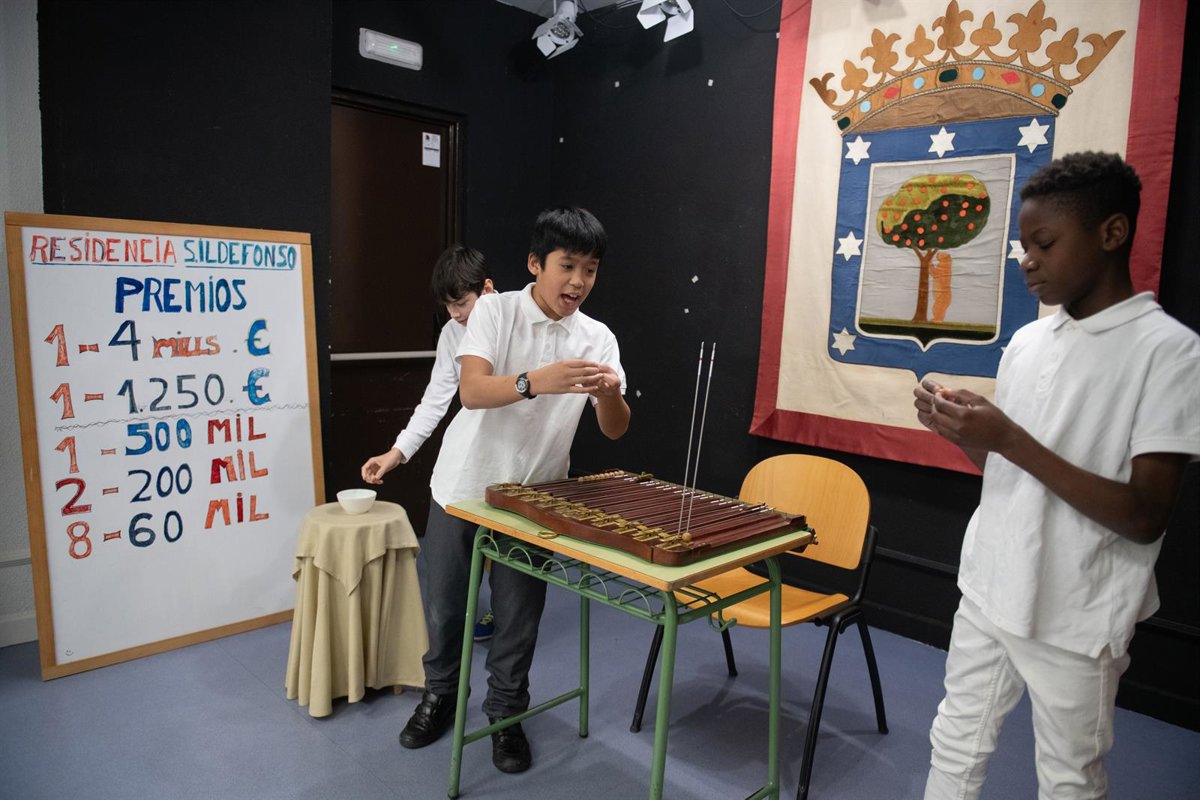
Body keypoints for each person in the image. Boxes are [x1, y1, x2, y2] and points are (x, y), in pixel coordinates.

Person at [913, 151, 1200, 799]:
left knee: (1069, 777)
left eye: (1044, 244)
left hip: (1078, 611)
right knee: (954, 740)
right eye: (1024, 246)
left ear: (1111, 232)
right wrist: (965, 434)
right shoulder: (1027, 342)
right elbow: (1007, 473)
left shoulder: (1169, 353)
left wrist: (1008, 437)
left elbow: (1145, 514)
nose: (1028, 261)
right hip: (990, 584)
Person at [398, 206, 630, 775]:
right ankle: (440, 695)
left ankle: (505, 712)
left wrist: (609, 395)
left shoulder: (597, 337)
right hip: (462, 486)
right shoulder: (494, 312)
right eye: (567, 266)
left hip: (535, 498)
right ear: (535, 264)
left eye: (590, 270)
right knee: (446, 607)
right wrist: (537, 381)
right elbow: (472, 391)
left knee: (518, 617)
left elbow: (615, 428)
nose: (578, 281)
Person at [361, 244, 498, 639]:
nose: (454, 313)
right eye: (448, 305)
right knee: (446, 581)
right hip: (467, 467)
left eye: (462, 303)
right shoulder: (452, 333)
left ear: (487, 289)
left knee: (510, 578)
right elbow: (435, 401)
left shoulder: (518, 319)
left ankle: (499, 615)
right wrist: (397, 452)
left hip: (521, 469)